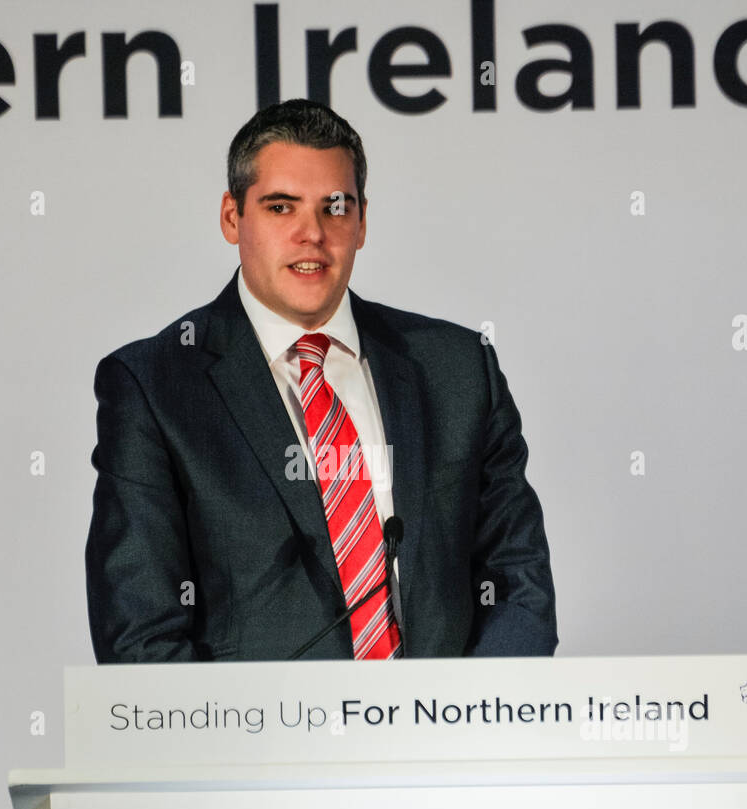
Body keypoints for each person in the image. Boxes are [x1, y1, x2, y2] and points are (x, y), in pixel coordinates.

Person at [85, 98, 557, 662]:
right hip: (254, 745)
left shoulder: (458, 369)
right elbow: (140, 639)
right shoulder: (154, 386)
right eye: (281, 207)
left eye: (335, 207)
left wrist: (468, 723)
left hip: (443, 739)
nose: (312, 234)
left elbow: (516, 583)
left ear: (361, 223)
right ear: (232, 218)